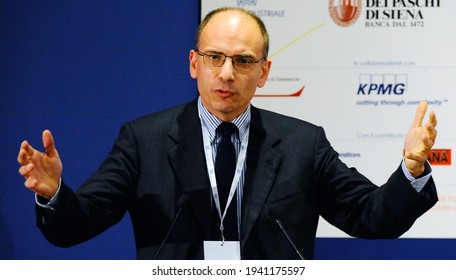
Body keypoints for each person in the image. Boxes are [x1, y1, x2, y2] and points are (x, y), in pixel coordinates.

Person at [17, 7, 438, 260]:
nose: (226, 73)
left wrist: (412, 169)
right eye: (214, 57)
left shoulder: (302, 144)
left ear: (264, 72)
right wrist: (54, 193)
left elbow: (371, 217)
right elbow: (77, 224)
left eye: (243, 60)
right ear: (193, 63)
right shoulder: (143, 141)